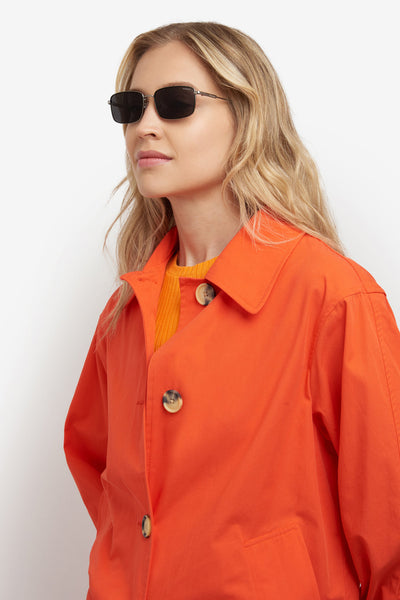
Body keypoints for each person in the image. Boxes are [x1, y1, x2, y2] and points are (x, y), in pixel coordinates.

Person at [64, 21, 400, 600]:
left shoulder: (329, 296)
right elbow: (103, 476)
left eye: (175, 103)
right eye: (131, 107)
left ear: (248, 116)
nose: (145, 126)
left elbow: (390, 520)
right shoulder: (125, 311)